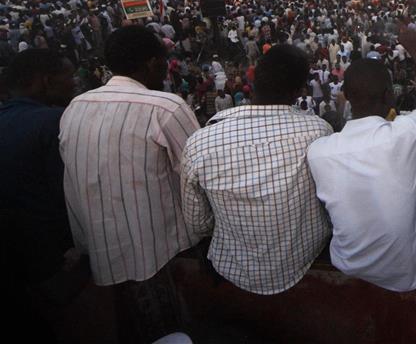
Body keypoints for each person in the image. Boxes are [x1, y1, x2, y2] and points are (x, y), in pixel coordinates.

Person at [59, 25, 201, 341]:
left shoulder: (75, 106)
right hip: (156, 252)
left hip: (100, 250)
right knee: (170, 330)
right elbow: (197, 177)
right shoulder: (166, 107)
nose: (167, 69)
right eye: (164, 61)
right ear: (151, 63)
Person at [181, 44, 332, 295]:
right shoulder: (318, 132)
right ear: (298, 91)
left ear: (251, 79)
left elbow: (198, 224)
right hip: (304, 261)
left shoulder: (200, 142)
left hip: (230, 269)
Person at [307, 27, 416, 292]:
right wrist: (415, 50)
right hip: (413, 269)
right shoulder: (404, 133)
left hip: (348, 262)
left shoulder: (319, 151)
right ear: (388, 96)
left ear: (346, 97)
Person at [0, 49, 76, 285]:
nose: (74, 83)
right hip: (55, 263)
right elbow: (69, 196)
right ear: (46, 80)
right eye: (69, 76)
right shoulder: (54, 122)